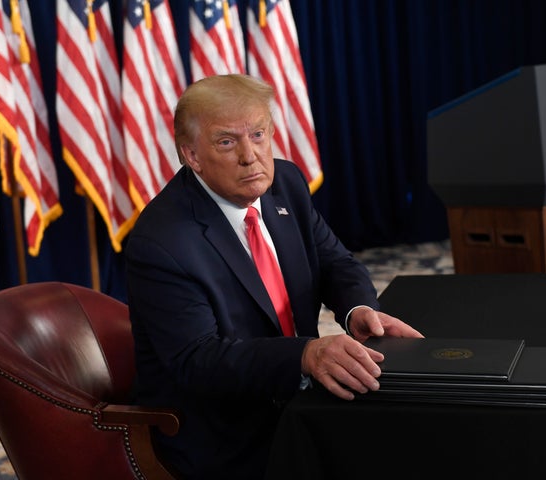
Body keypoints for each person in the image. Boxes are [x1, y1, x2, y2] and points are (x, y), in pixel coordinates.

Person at [125, 74, 424, 479]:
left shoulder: (285, 183)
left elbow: (335, 262)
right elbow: (199, 361)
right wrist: (305, 354)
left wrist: (357, 309)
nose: (251, 156)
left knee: (419, 429)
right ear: (192, 155)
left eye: (259, 134)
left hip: (298, 398)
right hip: (227, 433)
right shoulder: (162, 242)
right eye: (227, 142)